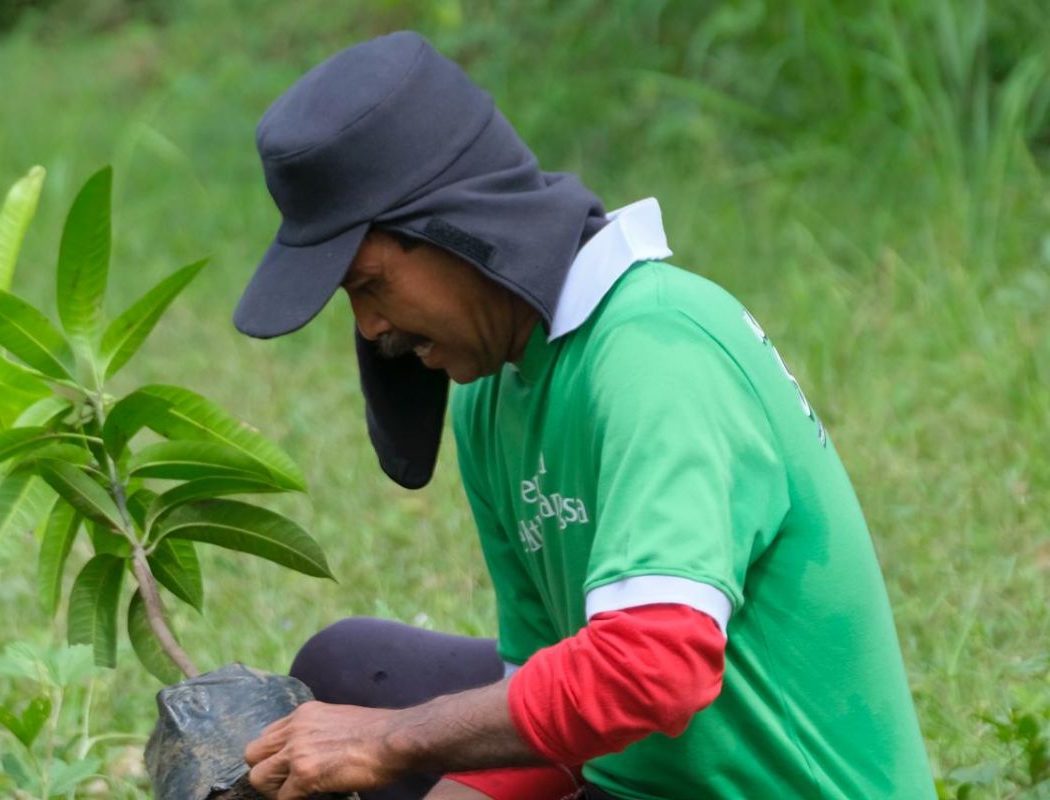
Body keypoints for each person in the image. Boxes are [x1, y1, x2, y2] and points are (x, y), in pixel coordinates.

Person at [231, 31, 935, 800]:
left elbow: (652, 670)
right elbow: (546, 718)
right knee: (346, 672)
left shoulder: (655, 353)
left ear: (452, 232)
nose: (370, 330)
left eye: (370, 285)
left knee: (372, 722)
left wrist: (389, 741)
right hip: (630, 776)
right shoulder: (493, 396)